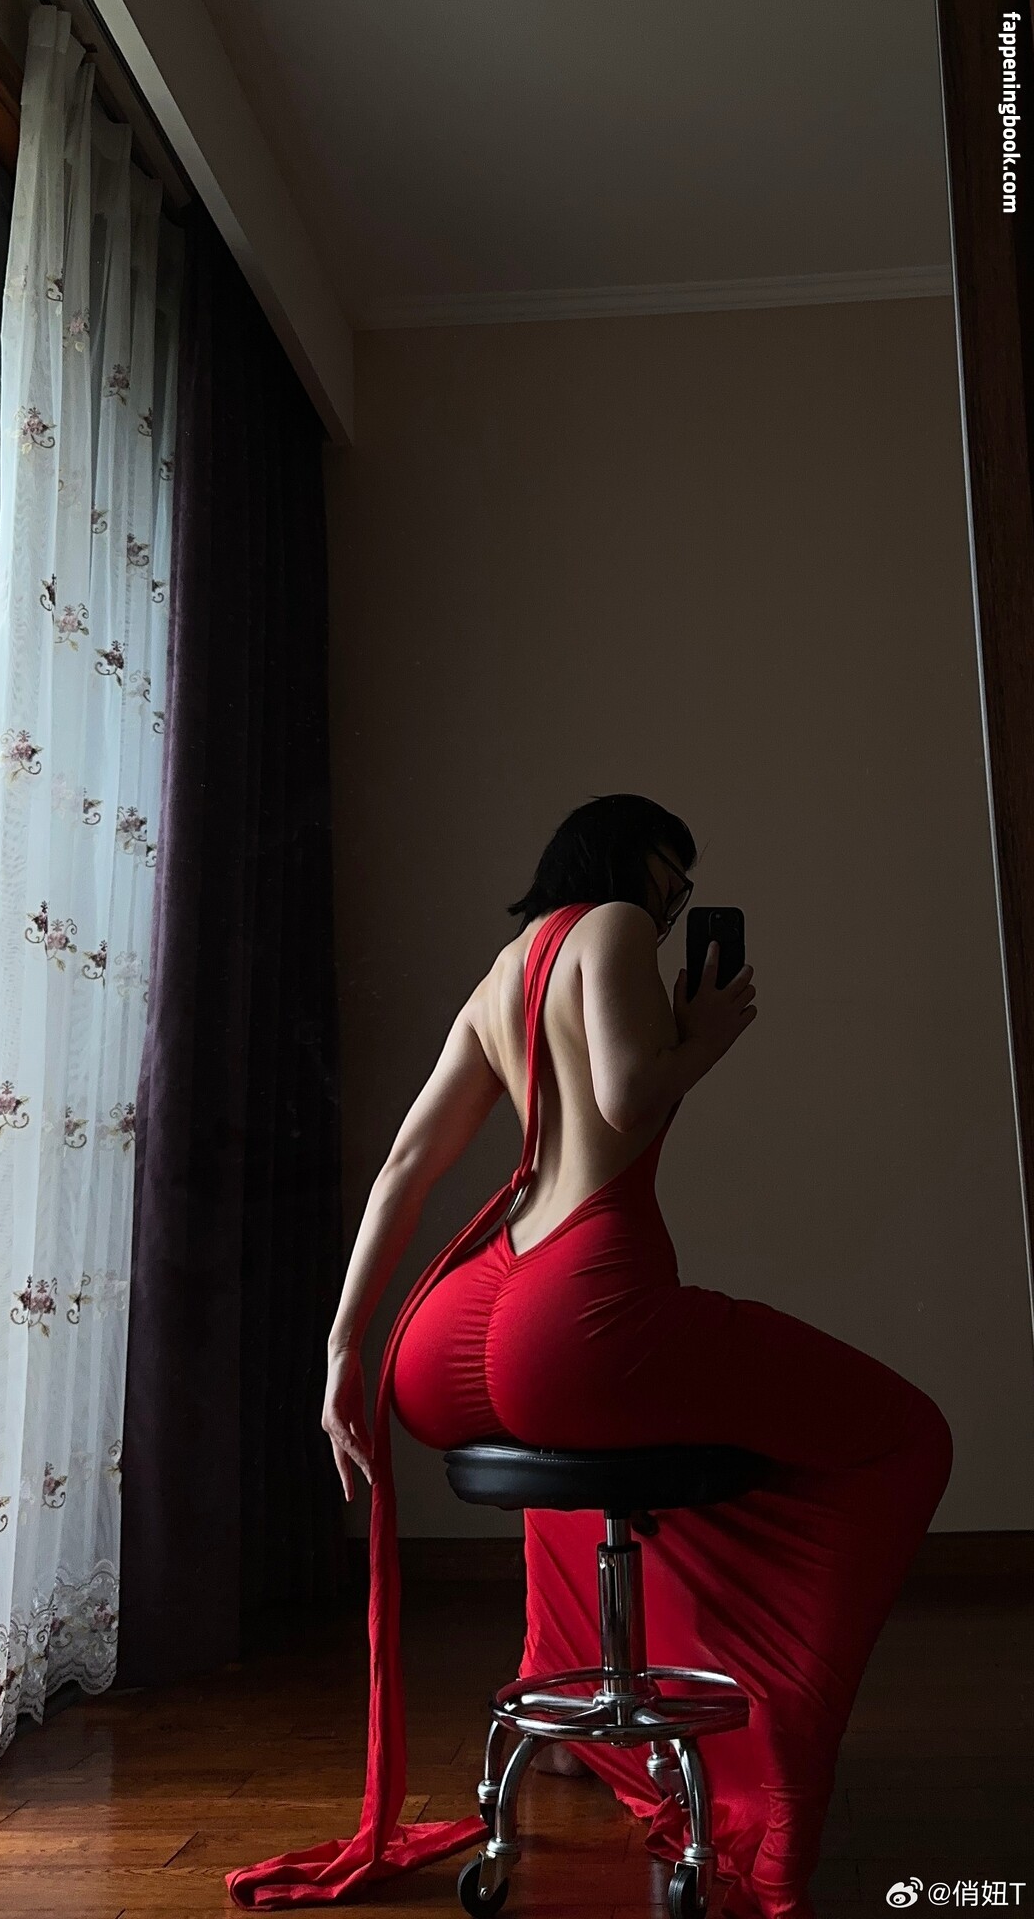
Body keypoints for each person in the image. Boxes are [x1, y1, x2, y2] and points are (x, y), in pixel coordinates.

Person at [225, 793, 953, 1918]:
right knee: (907, 1435)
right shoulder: (611, 926)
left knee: (586, 1465)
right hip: (573, 1306)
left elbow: (406, 1166)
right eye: (670, 877)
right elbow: (624, 1097)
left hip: (453, 1329)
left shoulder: (500, 974)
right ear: (618, 862)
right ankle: (763, 1776)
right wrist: (705, 1040)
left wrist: (344, 1348)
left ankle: (571, 1728)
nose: (672, 905)